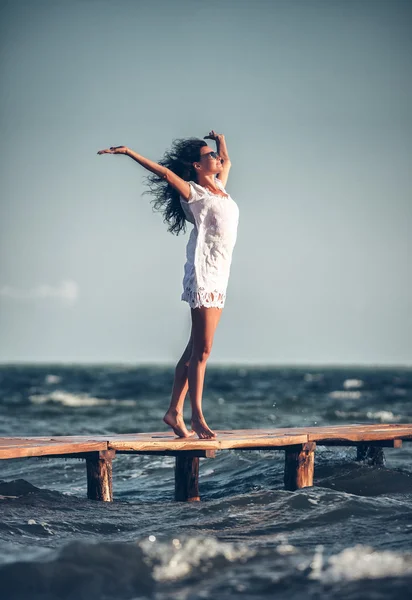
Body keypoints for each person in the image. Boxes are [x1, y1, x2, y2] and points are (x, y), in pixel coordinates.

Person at [97, 131, 239, 439]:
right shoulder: (195, 194)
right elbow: (163, 173)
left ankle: (174, 412)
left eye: (214, 156)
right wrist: (129, 152)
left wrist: (221, 140)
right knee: (203, 350)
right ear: (196, 166)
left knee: (194, 350)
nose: (216, 159)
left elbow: (226, 159)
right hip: (204, 274)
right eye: (209, 156)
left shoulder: (218, 187)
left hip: (220, 275)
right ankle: (197, 416)